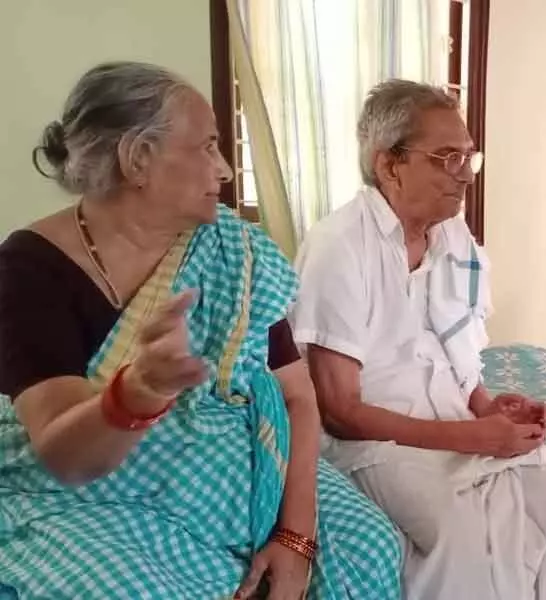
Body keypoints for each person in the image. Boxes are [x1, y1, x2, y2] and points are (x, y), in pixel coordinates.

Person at [0, 62, 401, 600]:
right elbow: (66, 458)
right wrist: (137, 395)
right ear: (137, 158)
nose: (226, 170)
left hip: (245, 469)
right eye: (207, 147)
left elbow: (297, 398)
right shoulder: (30, 269)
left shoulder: (236, 254)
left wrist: (297, 536)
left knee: (369, 547)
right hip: (92, 498)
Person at [289, 79, 546, 600]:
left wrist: (488, 407)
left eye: (469, 157)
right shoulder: (340, 246)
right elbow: (339, 410)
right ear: (389, 164)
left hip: (451, 430)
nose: (465, 176)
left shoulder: (454, 237)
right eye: (447, 157)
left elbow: (457, 358)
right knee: (457, 528)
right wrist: (473, 437)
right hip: (375, 447)